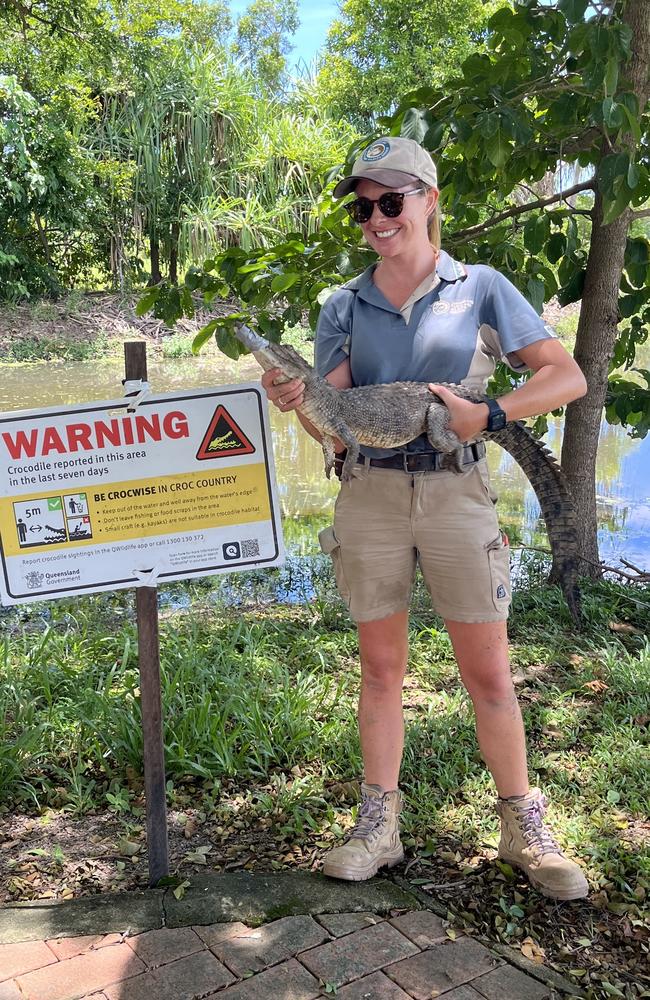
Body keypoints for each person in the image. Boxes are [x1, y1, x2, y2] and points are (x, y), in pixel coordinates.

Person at [261, 136, 589, 900]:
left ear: (429, 200)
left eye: (391, 200)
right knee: (380, 671)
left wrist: (491, 414)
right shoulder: (344, 304)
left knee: (490, 675)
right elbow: (334, 421)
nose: (376, 218)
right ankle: (378, 827)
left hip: (454, 492)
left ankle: (523, 828)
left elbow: (564, 375)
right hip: (370, 493)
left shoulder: (480, 289)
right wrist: (300, 400)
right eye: (363, 205)